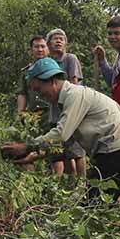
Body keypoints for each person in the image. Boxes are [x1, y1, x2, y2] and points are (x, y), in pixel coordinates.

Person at [2, 58, 120, 213]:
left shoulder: (75, 96)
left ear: (51, 81)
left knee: (92, 210)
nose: (39, 95)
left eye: (38, 89)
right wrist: (33, 157)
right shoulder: (70, 100)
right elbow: (66, 144)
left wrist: (26, 146)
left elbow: (61, 135)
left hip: (117, 154)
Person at [46, 28, 87, 177]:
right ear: (48, 44)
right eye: (54, 39)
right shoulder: (48, 63)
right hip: (54, 114)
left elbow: (75, 84)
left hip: (71, 111)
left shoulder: (70, 59)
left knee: (76, 152)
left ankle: (83, 185)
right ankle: (71, 185)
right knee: (62, 153)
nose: (58, 41)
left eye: (61, 39)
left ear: (65, 44)